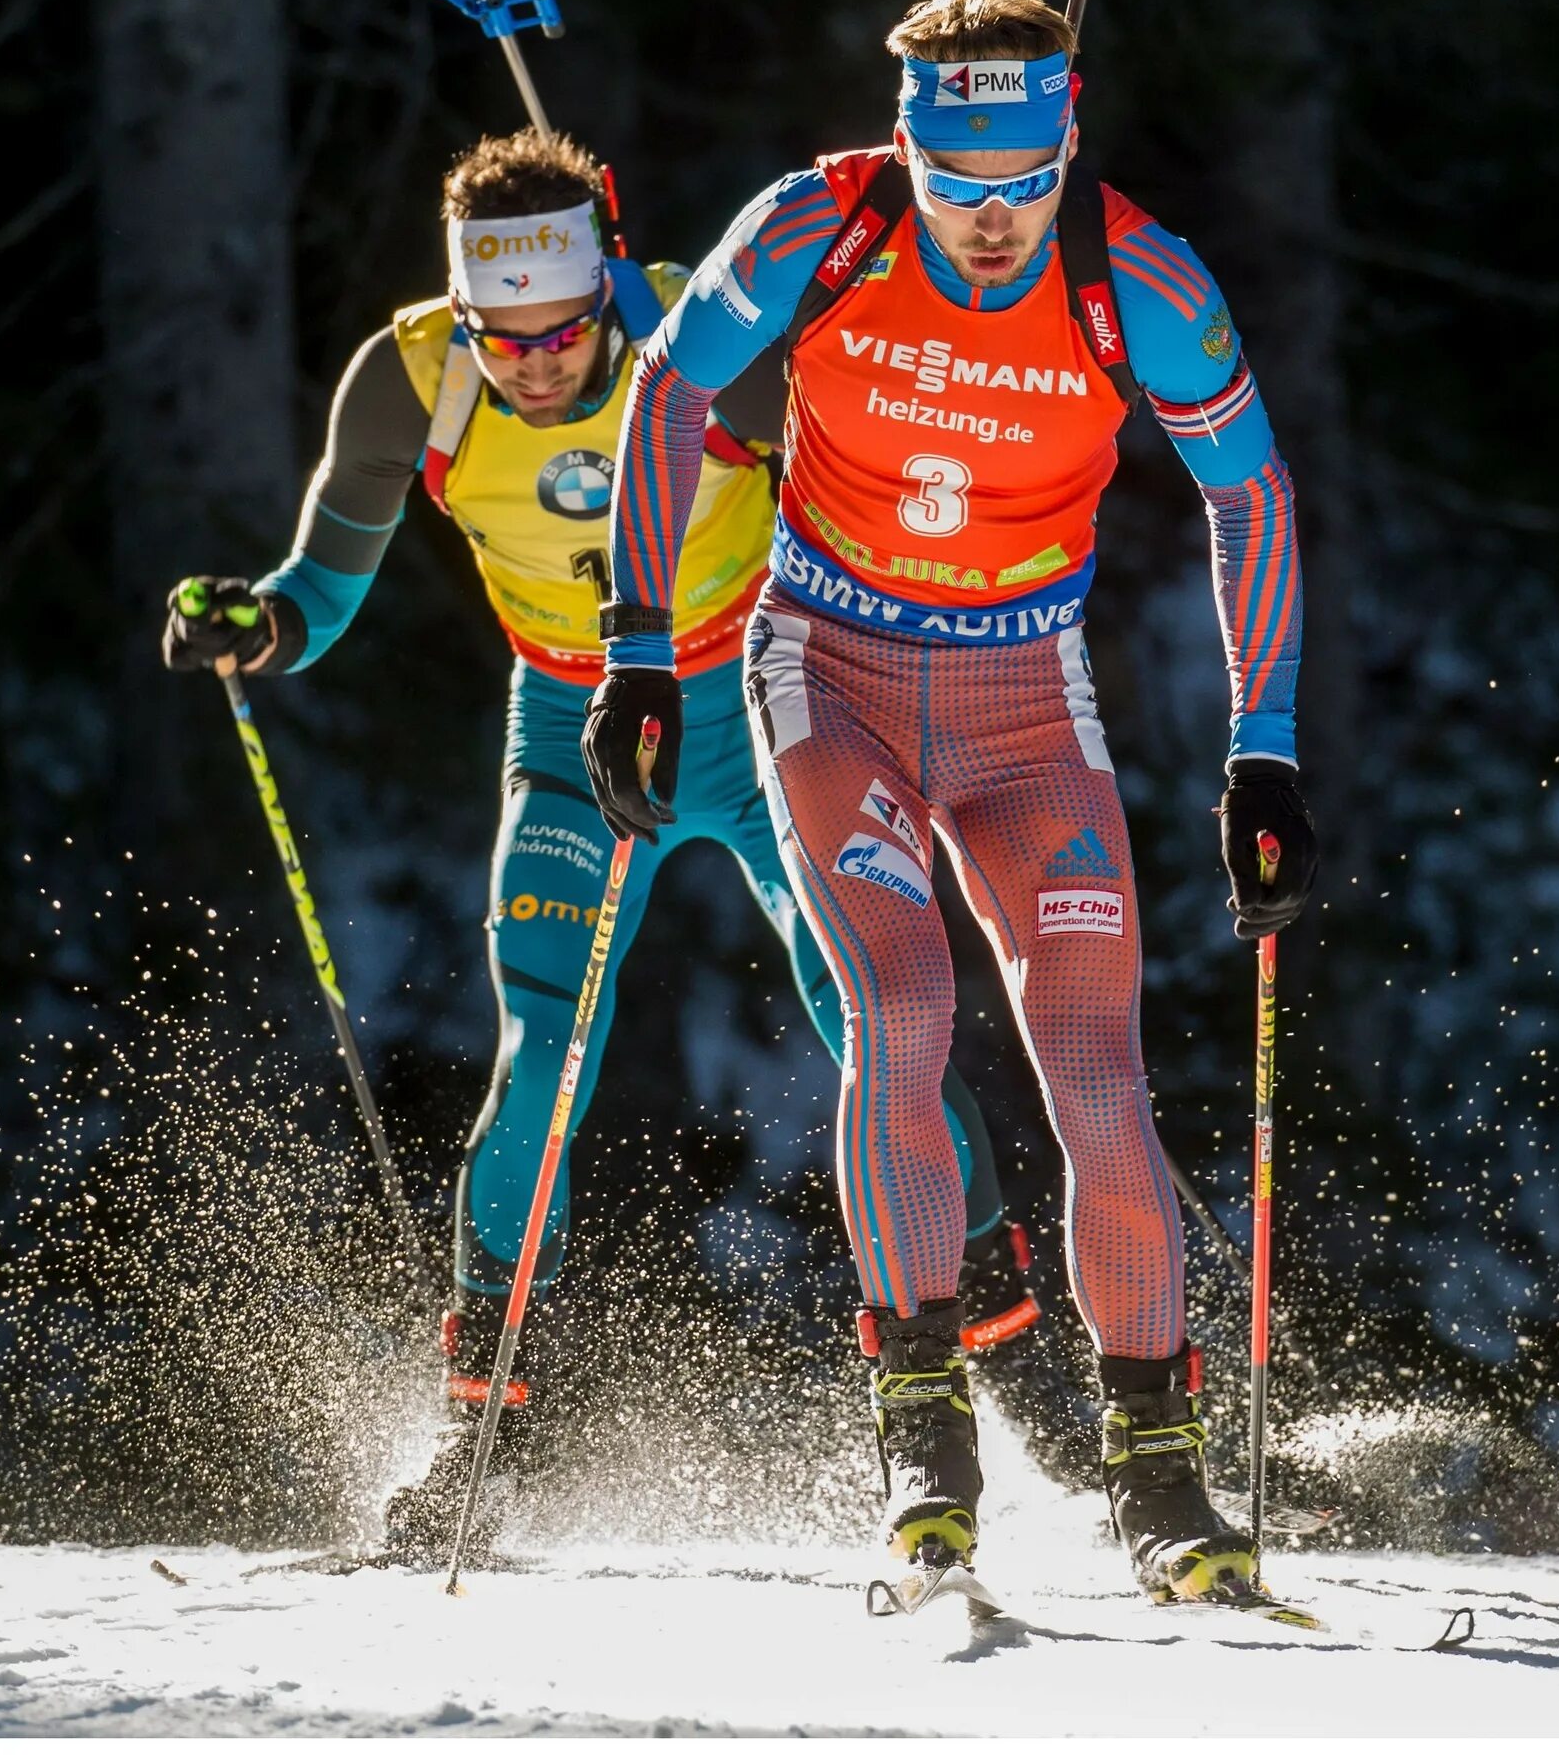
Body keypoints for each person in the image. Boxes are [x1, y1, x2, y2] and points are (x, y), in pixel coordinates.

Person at [163, 126, 1081, 1553]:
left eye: (563, 333)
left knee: (877, 1019)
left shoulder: (694, 319)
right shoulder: (408, 380)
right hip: (574, 723)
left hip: (766, 694)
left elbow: (877, 459)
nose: (534, 366)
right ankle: (487, 1419)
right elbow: (325, 581)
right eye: (502, 338)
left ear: (604, 286)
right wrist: (259, 621)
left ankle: (1017, 1360)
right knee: (546, 1049)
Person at [588, 0, 1320, 1599]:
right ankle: (924, 1427)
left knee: (1096, 1074)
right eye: (959, 185)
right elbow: (671, 387)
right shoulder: (818, 226)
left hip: (1022, 700)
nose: (993, 222)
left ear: (1067, 155)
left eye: (1026, 185)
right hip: (826, 669)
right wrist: (642, 645)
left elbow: (1250, 490)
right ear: (910, 154)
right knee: (902, 1013)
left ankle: (1158, 1473)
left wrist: (1261, 752)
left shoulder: (1141, 276)